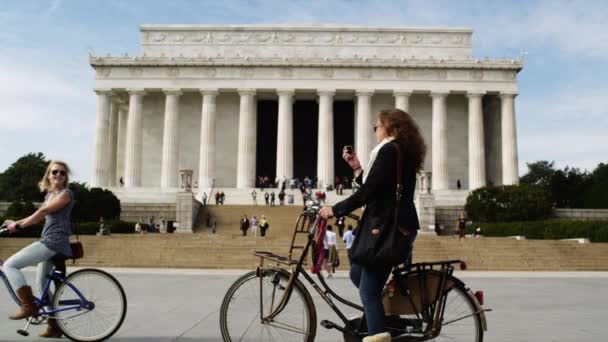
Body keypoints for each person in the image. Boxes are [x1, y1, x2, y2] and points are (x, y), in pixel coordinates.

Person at [320, 108, 426, 342]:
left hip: (386, 229)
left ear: (390, 126)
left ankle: (379, 333)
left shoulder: (389, 150)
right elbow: (379, 185)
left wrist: (335, 210)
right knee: (358, 272)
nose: (375, 131)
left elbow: (369, 191)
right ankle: (378, 316)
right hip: (395, 226)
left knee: (368, 290)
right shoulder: (399, 151)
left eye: (376, 126)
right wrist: (357, 167)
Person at [2, 161, 75, 338]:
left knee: (10, 265)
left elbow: (43, 212)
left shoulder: (66, 194)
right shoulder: (50, 194)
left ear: (66, 177)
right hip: (50, 241)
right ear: (48, 176)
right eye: (55, 172)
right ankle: (54, 327)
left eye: (62, 173)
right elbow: (40, 212)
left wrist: (21, 227)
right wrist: (15, 223)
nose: (58, 175)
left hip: (53, 242)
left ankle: (28, 306)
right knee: (41, 285)